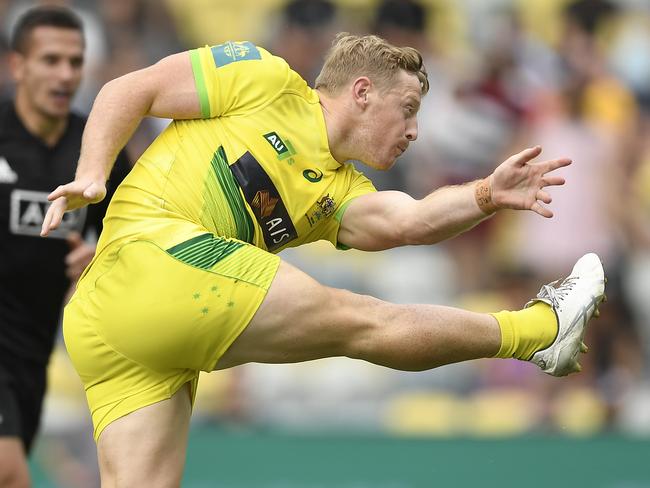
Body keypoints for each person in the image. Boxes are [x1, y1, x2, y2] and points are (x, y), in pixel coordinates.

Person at [41, 34, 606, 486]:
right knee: (362, 322)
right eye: (407, 109)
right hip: (146, 260)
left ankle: (539, 332)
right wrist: (93, 173)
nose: (414, 131)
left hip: (114, 323)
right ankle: (538, 329)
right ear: (362, 92)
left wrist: (485, 194)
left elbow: (409, 221)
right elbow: (126, 90)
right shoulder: (265, 80)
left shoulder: (340, 193)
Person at [0, 6, 130, 487]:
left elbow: (136, 234)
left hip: (32, 350)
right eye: (50, 60)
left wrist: (101, 256)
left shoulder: (98, 148)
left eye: (74, 62)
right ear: (18, 66)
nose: (65, 74)